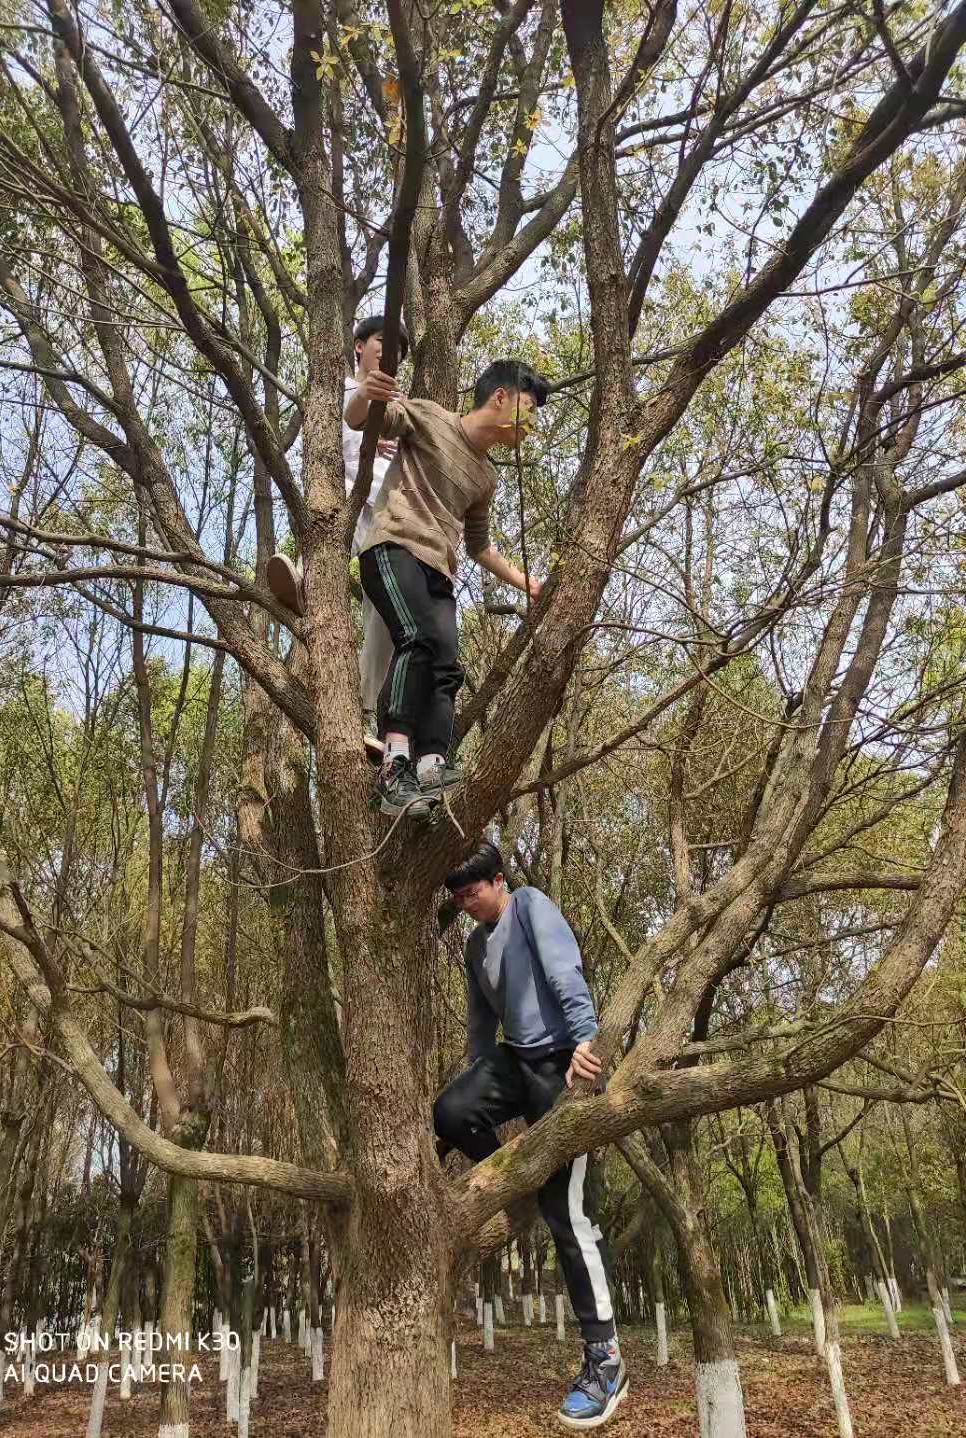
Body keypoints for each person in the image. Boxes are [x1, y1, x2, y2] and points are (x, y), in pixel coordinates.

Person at [433, 842, 628, 1430]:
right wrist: (475, 1073)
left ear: (499, 881)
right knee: (450, 1111)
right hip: (513, 1061)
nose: (466, 905)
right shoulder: (474, 944)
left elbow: (565, 972)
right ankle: (516, 1181)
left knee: (568, 1214)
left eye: (472, 893)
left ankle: (606, 1360)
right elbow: (480, 1019)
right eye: (458, 898)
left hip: (562, 1062)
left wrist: (588, 1042)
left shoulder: (531, 905)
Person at [345, 359, 545, 818]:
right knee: (416, 639)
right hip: (393, 548)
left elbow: (479, 546)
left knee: (446, 666)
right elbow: (361, 420)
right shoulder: (430, 417)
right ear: (501, 397)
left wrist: (526, 583)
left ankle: (430, 763)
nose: (531, 423)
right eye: (529, 408)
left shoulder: (486, 478)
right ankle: (394, 764)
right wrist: (366, 393)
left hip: (439, 571)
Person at [266, 315, 410, 761]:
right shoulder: (339, 393)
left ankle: (371, 717)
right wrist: (368, 428)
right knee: (329, 529)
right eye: (382, 341)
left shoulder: (402, 404)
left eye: (398, 350)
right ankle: (303, 579)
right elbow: (324, 445)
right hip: (347, 495)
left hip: (389, 509)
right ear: (359, 346)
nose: (390, 352)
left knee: (382, 612)